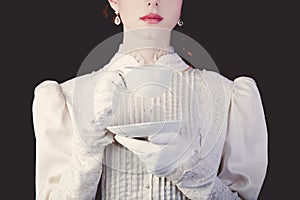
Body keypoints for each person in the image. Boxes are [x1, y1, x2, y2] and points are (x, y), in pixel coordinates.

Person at [32, 0, 268, 199]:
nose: (153, 1)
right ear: (114, 0)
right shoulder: (67, 97)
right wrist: (88, 153)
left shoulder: (228, 97)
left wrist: (189, 171)